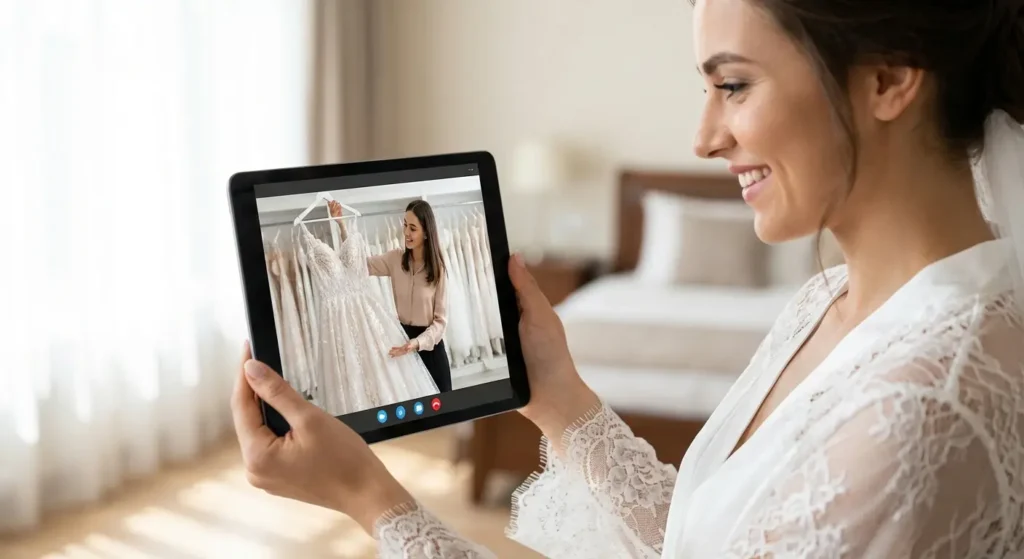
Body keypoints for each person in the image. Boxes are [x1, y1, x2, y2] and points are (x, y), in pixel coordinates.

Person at [232, 0, 1024, 556]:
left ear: (889, 80)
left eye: (734, 84)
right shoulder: (830, 300)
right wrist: (559, 397)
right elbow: (699, 541)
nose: (704, 136)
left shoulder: (925, 405)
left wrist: (371, 499)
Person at [329, 198, 453, 393]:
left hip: (430, 349)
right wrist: (341, 225)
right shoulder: (395, 259)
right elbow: (357, 264)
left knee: (443, 410)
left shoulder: (439, 269)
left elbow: (440, 323)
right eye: (404, 225)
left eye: (412, 228)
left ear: (427, 233)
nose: (405, 232)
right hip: (403, 346)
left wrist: (417, 343)